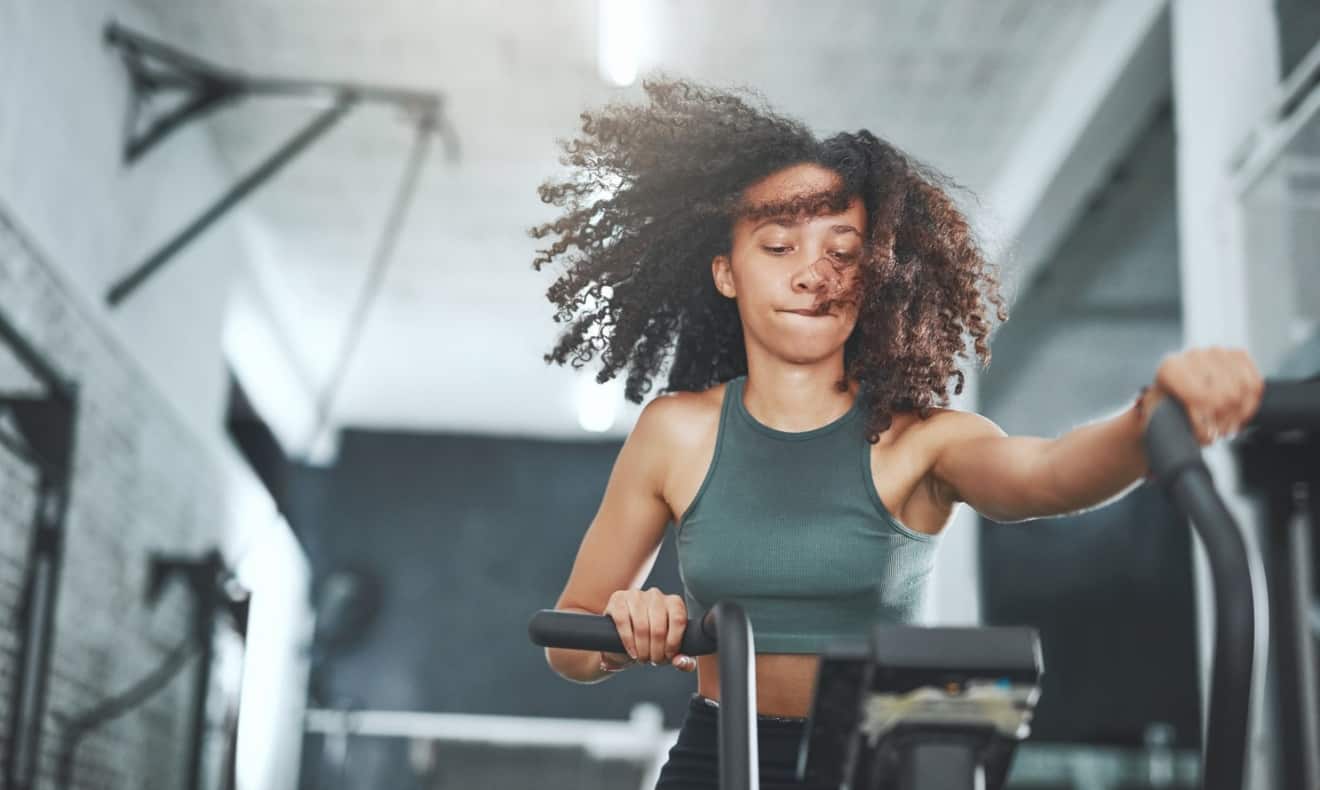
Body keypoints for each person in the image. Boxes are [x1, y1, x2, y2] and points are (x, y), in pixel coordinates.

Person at [535, 78, 1263, 789]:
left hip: (878, 761)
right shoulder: (675, 432)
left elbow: (1047, 474)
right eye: (778, 246)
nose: (811, 276)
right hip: (717, 757)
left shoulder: (924, 443)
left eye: (841, 253)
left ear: (872, 274)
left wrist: (1149, 418)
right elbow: (569, 638)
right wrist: (627, 631)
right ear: (728, 272)